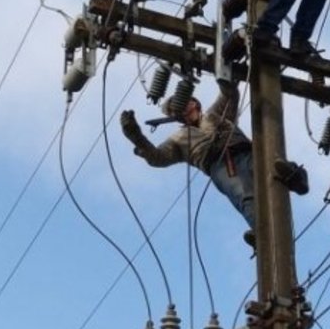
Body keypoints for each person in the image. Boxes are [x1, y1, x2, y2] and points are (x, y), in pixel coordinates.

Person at [120, 80, 308, 246]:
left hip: (245, 151)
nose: (182, 111)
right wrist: (136, 137)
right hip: (221, 167)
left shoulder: (215, 114)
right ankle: (262, 232)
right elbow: (157, 157)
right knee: (245, 196)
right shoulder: (179, 138)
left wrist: (222, 73)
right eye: (176, 111)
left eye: (183, 104)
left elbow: (230, 93)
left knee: (273, 166)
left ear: (194, 103)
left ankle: (296, 178)